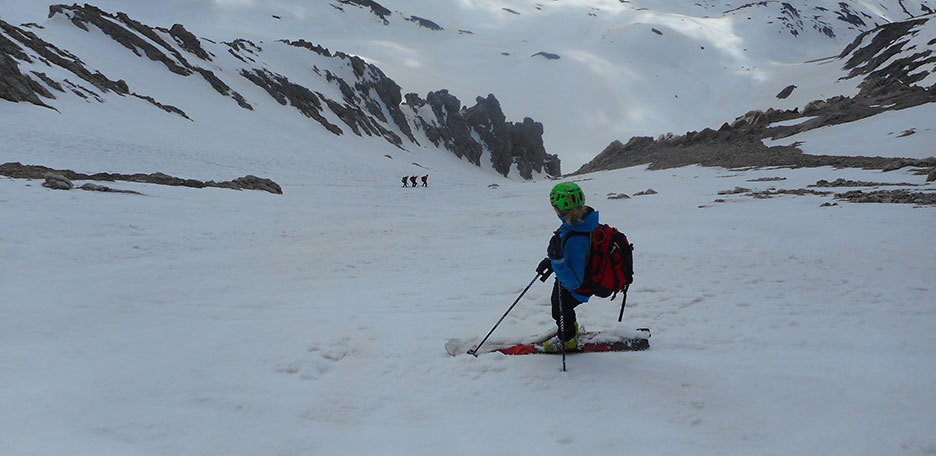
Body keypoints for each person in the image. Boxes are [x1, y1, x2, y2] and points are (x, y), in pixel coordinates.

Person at [535, 182, 598, 352]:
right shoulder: (578, 222)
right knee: (560, 306)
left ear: (560, 208)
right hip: (576, 274)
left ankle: (568, 339)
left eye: (554, 206)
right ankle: (570, 328)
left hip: (580, 284)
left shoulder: (576, 238)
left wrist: (557, 262)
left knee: (560, 308)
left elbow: (574, 283)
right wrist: (552, 261)